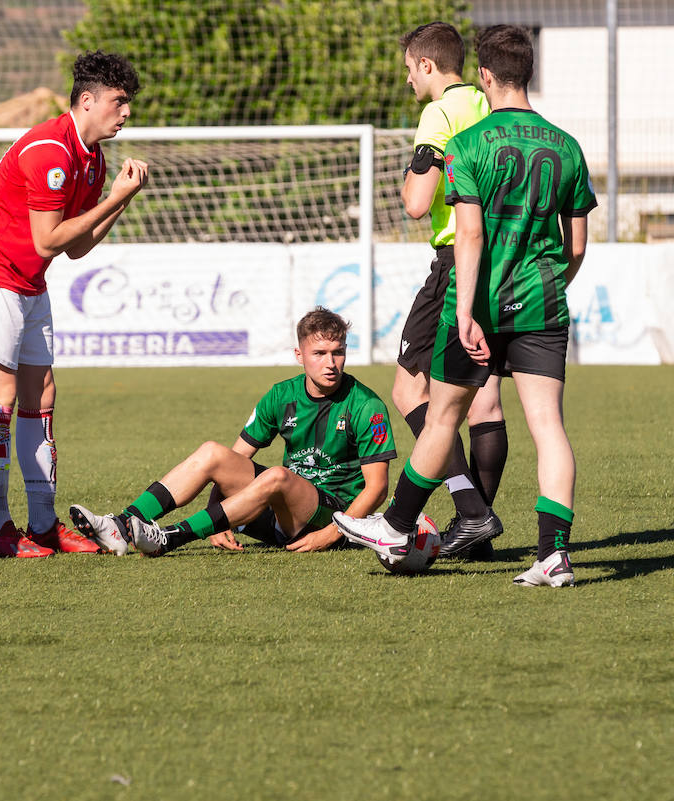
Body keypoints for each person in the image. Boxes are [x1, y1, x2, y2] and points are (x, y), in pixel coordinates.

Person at [335, 25, 595, 588]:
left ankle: (398, 523)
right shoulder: (567, 146)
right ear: (526, 73)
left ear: (484, 75)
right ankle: (554, 555)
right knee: (549, 425)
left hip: (478, 294)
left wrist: (467, 310)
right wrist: (551, 283)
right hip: (544, 300)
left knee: (443, 413)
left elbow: (469, 236)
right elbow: (575, 246)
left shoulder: (469, 144)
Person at [0, 51, 148, 558]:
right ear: (87, 100)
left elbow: (75, 247)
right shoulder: (50, 151)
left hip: (29, 283)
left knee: (42, 395)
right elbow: (46, 239)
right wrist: (114, 197)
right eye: (119, 102)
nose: (126, 113)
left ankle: (42, 523)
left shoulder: (93, 159)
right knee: (1, 397)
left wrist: (120, 197)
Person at [69, 308, 396, 557]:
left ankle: (168, 538)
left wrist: (332, 534)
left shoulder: (366, 405)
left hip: (332, 517)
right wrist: (218, 522)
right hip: (278, 515)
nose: (331, 363)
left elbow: (377, 488)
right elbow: (234, 460)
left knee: (277, 476)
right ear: (300, 356)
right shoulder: (282, 395)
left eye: (337, 352)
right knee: (213, 452)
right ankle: (123, 524)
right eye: (320, 353)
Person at [392, 21, 507, 557]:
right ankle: (476, 534)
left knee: (410, 393)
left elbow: (417, 202)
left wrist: (410, 178)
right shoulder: (490, 103)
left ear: (427, 65)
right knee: (483, 404)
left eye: (410, 70)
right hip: (500, 261)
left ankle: (472, 512)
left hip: (453, 261)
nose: (408, 81)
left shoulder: (439, 113)